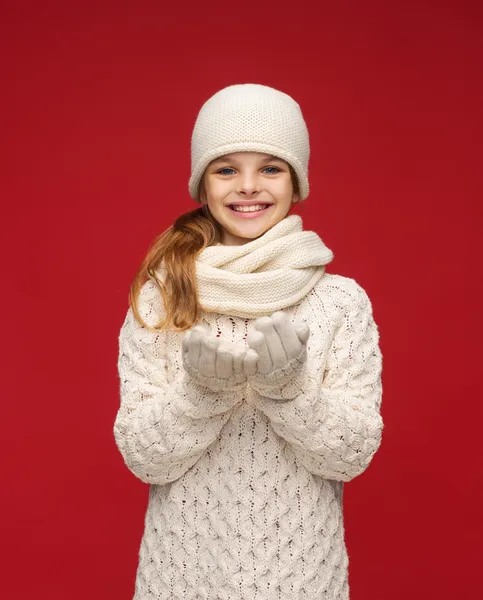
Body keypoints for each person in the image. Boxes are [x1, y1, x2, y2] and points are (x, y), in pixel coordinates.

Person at [113, 83, 384, 599]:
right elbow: (143, 457)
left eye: (270, 167)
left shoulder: (341, 302)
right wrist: (201, 394)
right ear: (202, 183)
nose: (249, 186)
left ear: (297, 181)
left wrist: (289, 390)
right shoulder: (164, 297)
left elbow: (350, 455)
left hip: (302, 578)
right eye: (227, 168)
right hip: (184, 577)